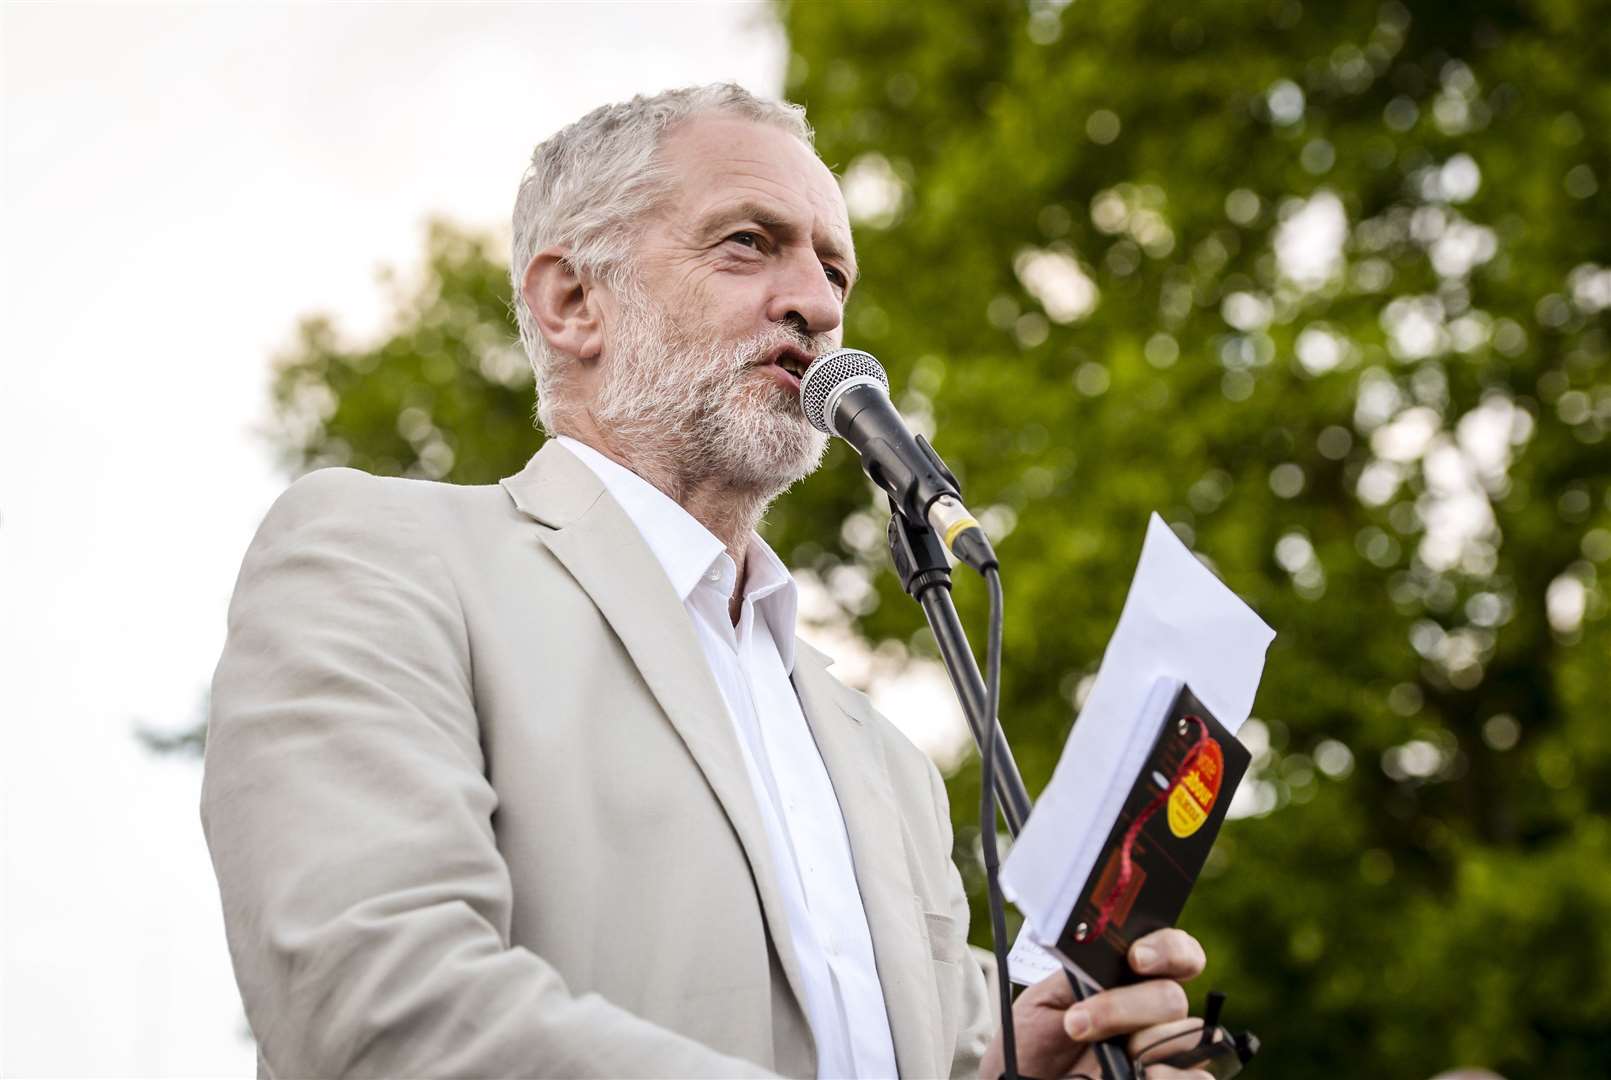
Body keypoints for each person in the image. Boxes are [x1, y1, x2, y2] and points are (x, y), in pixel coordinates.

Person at [202, 83, 1213, 1079]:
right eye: (748, 242)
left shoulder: (884, 759)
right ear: (573, 301)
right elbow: (379, 1009)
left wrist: (1029, 1065)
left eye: (834, 271)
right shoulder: (386, 556)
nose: (817, 305)